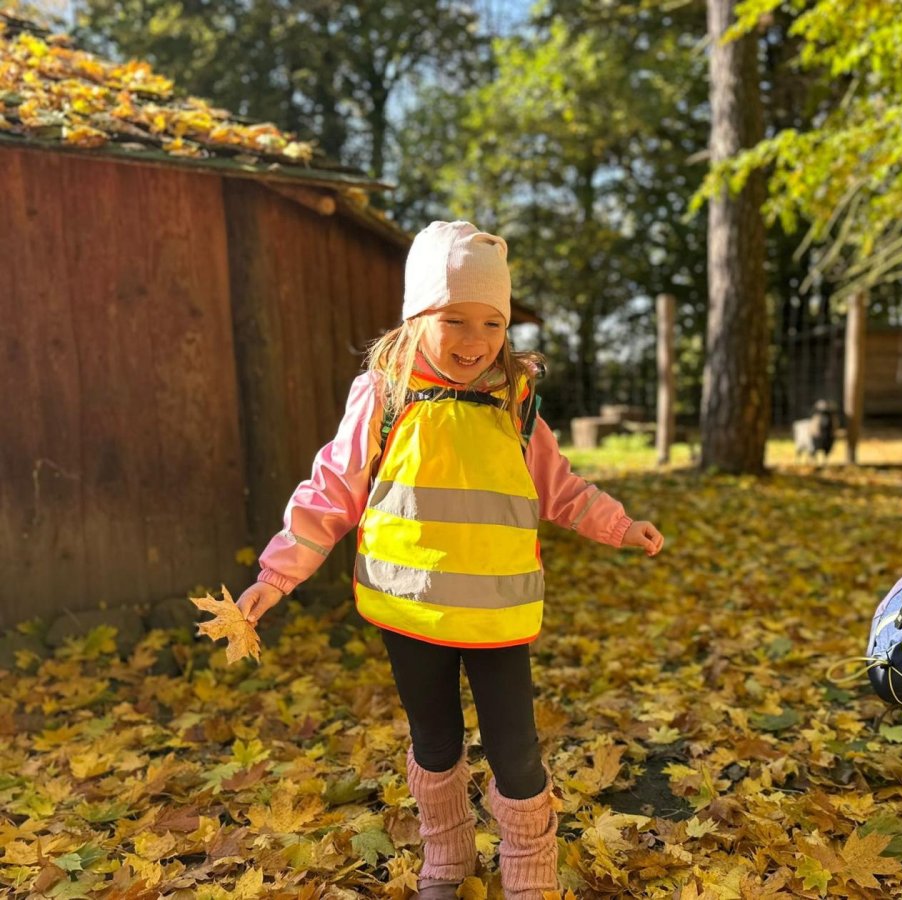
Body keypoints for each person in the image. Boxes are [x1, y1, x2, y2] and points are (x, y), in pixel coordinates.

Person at [235, 221, 664, 899]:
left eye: (493, 323)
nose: (475, 340)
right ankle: (446, 856)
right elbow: (332, 489)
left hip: (497, 612)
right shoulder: (384, 395)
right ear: (416, 318)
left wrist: (619, 525)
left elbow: (558, 486)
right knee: (434, 745)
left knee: (515, 751)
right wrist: (276, 575)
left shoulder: (513, 402)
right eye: (454, 319)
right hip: (410, 607)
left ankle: (529, 867)